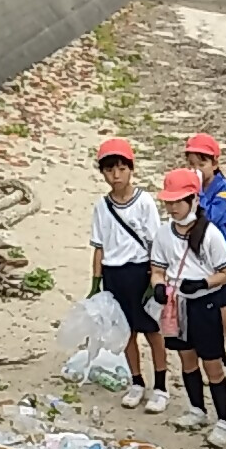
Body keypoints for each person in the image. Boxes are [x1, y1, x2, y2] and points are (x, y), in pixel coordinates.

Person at [149, 169, 226, 448]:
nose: (173, 208)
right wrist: (159, 286)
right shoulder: (164, 233)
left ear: (192, 200)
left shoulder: (210, 234)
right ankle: (197, 409)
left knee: (212, 364)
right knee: (187, 360)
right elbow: (157, 268)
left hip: (204, 303)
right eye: (169, 202)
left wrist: (203, 283)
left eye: (178, 202)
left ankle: (223, 420)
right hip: (177, 303)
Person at [87, 138, 167, 413]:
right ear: (103, 173)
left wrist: (157, 277)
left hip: (141, 271)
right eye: (110, 170)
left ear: (131, 169)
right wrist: (96, 284)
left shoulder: (144, 202)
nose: (116, 175)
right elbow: (98, 246)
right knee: (126, 333)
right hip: (114, 273)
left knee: (152, 331)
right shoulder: (102, 206)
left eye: (121, 168)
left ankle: (161, 386)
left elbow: (157, 243)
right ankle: (136, 381)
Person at [185, 133, 226, 406]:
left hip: (223, 262)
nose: (197, 169)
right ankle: (216, 368)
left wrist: (197, 193)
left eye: (202, 162)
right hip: (199, 263)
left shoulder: (224, 188)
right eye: (192, 163)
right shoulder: (188, 189)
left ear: (214, 162)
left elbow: (213, 217)